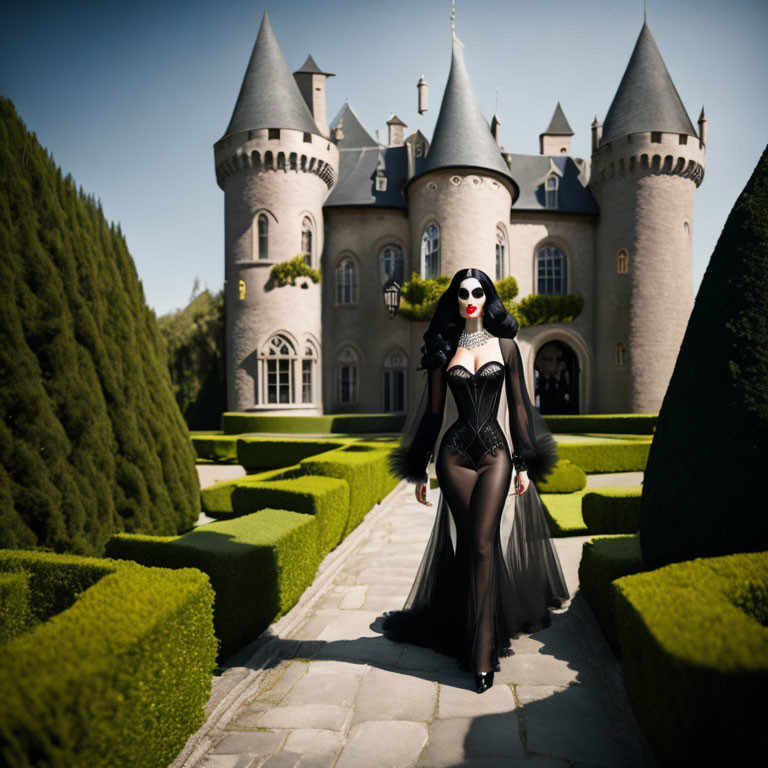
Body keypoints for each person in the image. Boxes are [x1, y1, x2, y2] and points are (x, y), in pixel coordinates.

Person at [385, 268, 569, 694]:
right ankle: (471, 626)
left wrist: (523, 462)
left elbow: (520, 406)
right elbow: (433, 414)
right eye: (463, 293)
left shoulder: (506, 346)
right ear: (456, 299)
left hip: (495, 456)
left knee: (484, 542)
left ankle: (482, 656)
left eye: (478, 292)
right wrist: (421, 468)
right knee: (471, 544)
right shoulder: (442, 348)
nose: (470, 298)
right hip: (453, 457)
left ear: (487, 299)